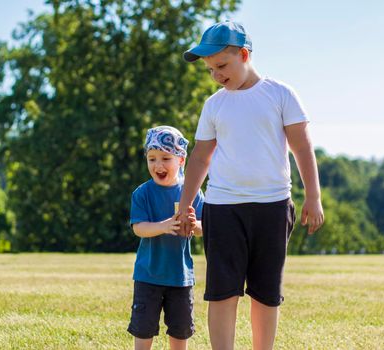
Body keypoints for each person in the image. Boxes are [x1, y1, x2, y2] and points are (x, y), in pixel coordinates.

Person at [177, 21, 324, 350]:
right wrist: (185, 204)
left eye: (221, 66)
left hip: (272, 207)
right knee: (222, 291)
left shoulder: (280, 94)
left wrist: (313, 196)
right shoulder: (214, 105)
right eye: (210, 70)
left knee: (266, 293)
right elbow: (200, 158)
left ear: (244, 55)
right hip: (222, 208)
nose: (216, 75)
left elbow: (302, 147)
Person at [128, 125, 205, 350]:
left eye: (165, 158)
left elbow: (205, 228)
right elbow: (139, 228)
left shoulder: (192, 192)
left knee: (180, 330)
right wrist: (163, 226)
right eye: (152, 159)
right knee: (143, 328)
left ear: (181, 160)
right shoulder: (142, 193)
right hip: (148, 275)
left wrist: (195, 225)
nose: (158, 165)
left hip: (180, 277)